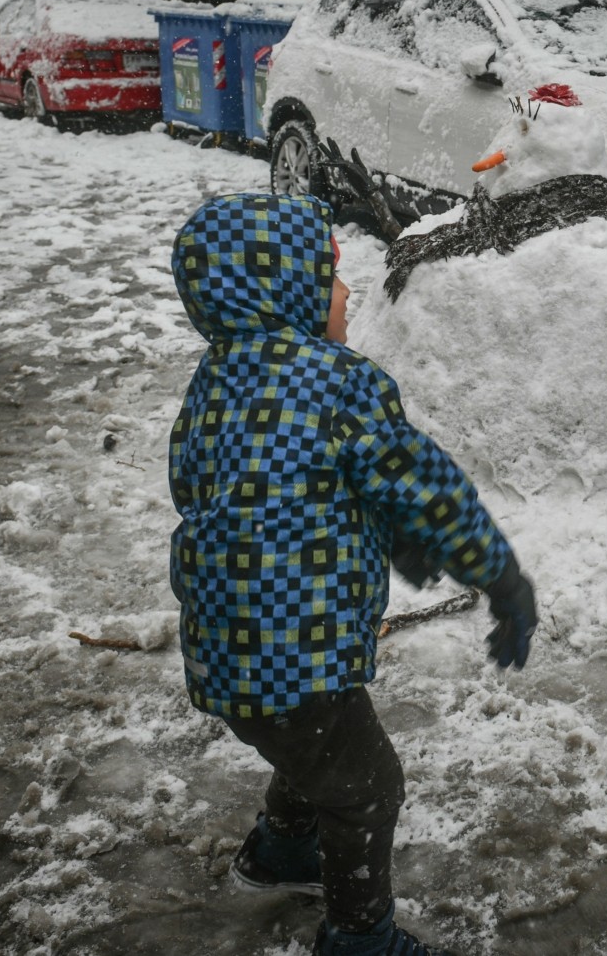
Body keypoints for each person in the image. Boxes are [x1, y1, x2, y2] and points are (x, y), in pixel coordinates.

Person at [167, 192, 537, 956]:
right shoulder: (340, 382)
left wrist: (375, 532)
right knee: (367, 783)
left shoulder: (212, 382)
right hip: (294, 649)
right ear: (282, 288)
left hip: (222, 646)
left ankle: (282, 849)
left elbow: (209, 491)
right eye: (329, 276)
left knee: (310, 746)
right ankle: (359, 938)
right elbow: (423, 486)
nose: (346, 293)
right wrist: (500, 577)